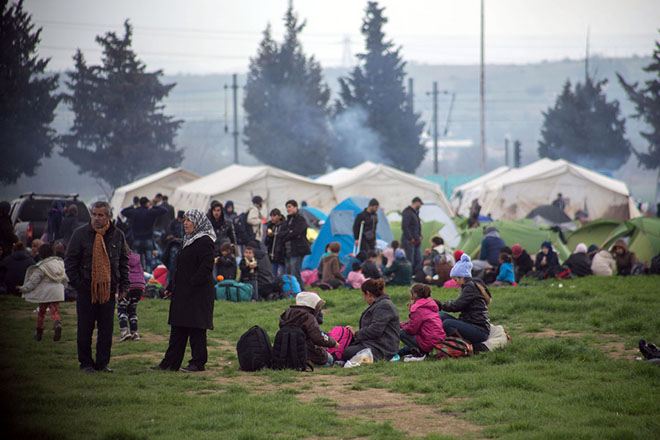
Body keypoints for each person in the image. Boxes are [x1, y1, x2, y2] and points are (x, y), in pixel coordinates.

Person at [65, 201, 129, 373]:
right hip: (86, 289)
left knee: (106, 329)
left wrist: (124, 284)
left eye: (100, 215)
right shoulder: (80, 234)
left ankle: (102, 363)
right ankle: (85, 363)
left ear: (108, 216)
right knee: (85, 328)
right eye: (94, 214)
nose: (96, 218)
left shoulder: (117, 235)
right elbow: (70, 262)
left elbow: (124, 261)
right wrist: (79, 284)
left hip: (108, 289)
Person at [153, 209, 216, 372]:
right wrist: (171, 286)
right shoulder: (187, 240)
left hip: (198, 293)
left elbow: (206, 266)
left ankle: (197, 363)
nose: (186, 223)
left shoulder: (205, 241)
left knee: (196, 329)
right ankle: (170, 363)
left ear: (199, 222)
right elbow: (180, 268)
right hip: (182, 292)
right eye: (185, 220)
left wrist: (193, 283)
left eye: (190, 220)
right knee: (178, 328)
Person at [19, 243, 67, 341]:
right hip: (57, 292)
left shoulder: (42, 266)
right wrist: (63, 289)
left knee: (41, 312)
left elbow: (33, 281)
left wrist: (23, 288)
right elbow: (65, 279)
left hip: (45, 293)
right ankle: (57, 323)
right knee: (54, 311)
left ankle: (39, 331)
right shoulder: (60, 264)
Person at [440, 254, 492, 345]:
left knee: (447, 323)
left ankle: (463, 344)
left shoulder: (470, 287)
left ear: (462, 277)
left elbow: (457, 305)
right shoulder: (471, 285)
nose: (455, 284)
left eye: (456, 280)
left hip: (479, 330)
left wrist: (440, 305)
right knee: (440, 316)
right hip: (471, 323)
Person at [344, 279, 399, 362]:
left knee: (348, 352)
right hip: (375, 343)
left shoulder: (384, 306)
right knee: (346, 347)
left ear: (368, 293)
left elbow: (375, 330)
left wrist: (356, 333)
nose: (364, 298)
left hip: (383, 347)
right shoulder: (380, 304)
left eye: (363, 295)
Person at [279, 291, 338, 366]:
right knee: (330, 360)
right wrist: (333, 342)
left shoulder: (287, 313)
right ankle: (308, 362)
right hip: (306, 350)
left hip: (287, 349)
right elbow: (318, 338)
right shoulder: (308, 317)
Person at [398, 283, 446, 360]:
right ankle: (408, 352)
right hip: (438, 340)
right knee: (409, 343)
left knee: (401, 333)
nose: (410, 297)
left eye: (411, 294)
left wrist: (402, 325)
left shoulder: (417, 308)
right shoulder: (430, 304)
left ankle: (420, 353)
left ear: (415, 295)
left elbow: (412, 329)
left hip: (428, 342)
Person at [121, 197, 167, 272]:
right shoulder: (150, 212)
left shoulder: (134, 212)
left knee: (136, 262)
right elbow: (164, 210)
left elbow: (123, 211)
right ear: (147, 203)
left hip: (137, 240)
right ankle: (148, 278)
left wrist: (133, 206)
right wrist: (153, 206)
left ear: (139, 203)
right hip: (148, 239)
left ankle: (138, 276)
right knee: (149, 262)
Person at [280, 200, 311, 290]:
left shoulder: (300, 219)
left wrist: (288, 234)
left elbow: (297, 232)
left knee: (295, 273)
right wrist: (289, 233)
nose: (288, 209)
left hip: (297, 250)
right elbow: (280, 233)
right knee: (289, 274)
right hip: (287, 250)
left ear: (296, 207)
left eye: (290, 206)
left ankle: (302, 292)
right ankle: (293, 292)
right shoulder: (287, 220)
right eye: (287, 207)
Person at [118, 248, 145, 342]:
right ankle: (135, 333)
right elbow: (141, 272)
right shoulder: (136, 258)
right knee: (132, 310)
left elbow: (119, 273)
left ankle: (124, 332)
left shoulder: (120, 257)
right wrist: (143, 286)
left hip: (128, 285)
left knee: (122, 309)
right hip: (139, 286)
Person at [401, 197, 424, 274]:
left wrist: (420, 235)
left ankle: (415, 274)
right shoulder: (407, 212)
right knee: (410, 259)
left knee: (419, 259)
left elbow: (417, 226)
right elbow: (405, 226)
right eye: (420, 203)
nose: (420, 205)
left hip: (416, 239)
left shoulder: (415, 213)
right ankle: (409, 275)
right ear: (416, 202)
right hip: (409, 240)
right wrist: (410, 238)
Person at [264, 208, 286, 277]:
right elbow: (266, 242)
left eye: (274, 216)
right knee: (273, 275)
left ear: (279, 216)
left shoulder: (284, 226)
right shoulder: (270, 226)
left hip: (281, 256)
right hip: (272, 255)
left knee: (282, 276)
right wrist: (269, 236)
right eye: (271, 216)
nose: (272, 218)